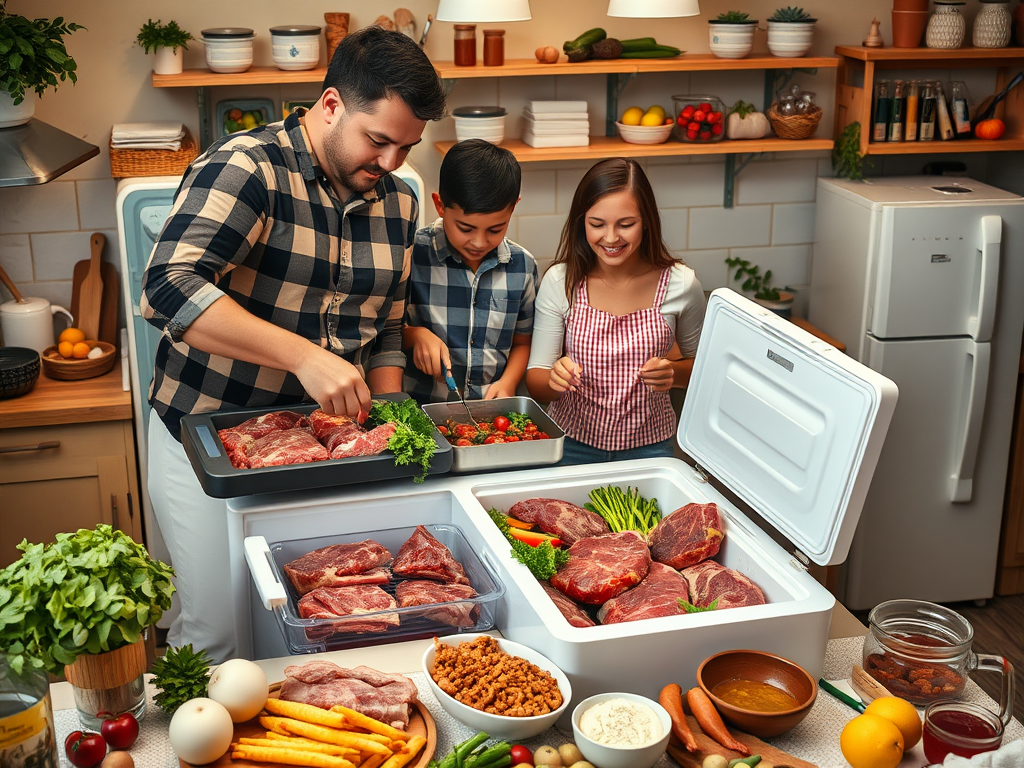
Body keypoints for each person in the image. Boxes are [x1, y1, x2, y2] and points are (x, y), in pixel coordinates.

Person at [139, 26, 446, 662]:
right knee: (219, 633)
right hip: (209, 440)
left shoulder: (399, 201)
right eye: (378, 140)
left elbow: (385, 324)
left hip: (320, 450)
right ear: (330, 105)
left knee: (309, 627)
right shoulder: (247, 168)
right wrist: (304, 355)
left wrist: (389, 424)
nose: (390, 163)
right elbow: (166, 288)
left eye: (405, 147)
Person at [525, 158, 706, 465]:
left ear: (647, 220)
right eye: (597, 224)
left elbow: (704, 368)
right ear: (582, 222)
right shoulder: (561, 281)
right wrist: (554, 379)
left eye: (626, 224)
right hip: (570, 444)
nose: (610, 238)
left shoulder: (681, 283)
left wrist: (674, 373)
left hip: (651, 448)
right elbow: (535, 381)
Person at [403, 139, 537, 404]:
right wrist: (414, 336)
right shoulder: (412, 255)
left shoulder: (523, 267)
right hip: (422, 410)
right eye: (465, 228)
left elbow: (523, 342)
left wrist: (507, 383)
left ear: (513, 208)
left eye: (495, 229)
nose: (479, 242)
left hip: (491, 411)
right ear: (440, 205)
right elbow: (385, 330)